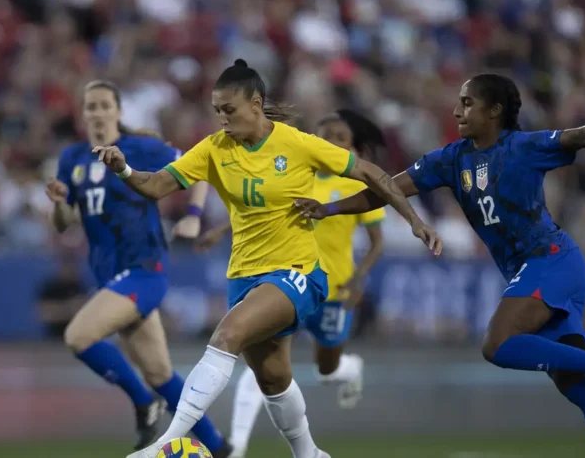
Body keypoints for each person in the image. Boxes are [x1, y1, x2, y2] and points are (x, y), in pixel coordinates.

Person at [93, 59, 440, 458]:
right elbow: (155, 186)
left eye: (229, 110)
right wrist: (123, 170)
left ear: (256, 103)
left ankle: (164, 443)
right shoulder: (214, 149)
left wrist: (414, 220)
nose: (222, 119)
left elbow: (371, 173)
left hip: (298, 273)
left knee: (226, 337)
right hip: (244, 276)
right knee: (273, 380)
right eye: (217, 111)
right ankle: (310, 453)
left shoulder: (297, 144)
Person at [295, 74, 585, 458]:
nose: (456, 110)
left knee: (497, 344)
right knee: (575, 384)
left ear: (494, 111)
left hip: (551, 261)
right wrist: (329, 209)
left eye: (467, 103)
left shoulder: (522, 147)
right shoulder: (451, 159)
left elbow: (575, 136)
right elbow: (386, 189)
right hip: (537, 268)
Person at [46, 80, 231, 456]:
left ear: (118, 111)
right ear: (83, 114)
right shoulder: (72, 160)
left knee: (78, 336)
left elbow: (199, 167)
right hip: (109, 275)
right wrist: (60, 203)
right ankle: (221, 449)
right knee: (161, 374)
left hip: (144, 268)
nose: (97, 112)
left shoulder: (141, 148)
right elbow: (65, 222)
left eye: (103, 105)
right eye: (90, 106)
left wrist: (193, 216)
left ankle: (143, 404)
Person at [194, 109, 387, 457]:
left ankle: (349, 368)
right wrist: (221, 230)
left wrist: (359, 280)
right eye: (324, 134)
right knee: (263, 365)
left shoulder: (355, 184)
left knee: (326, 369)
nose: (330, 142)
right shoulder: (298, 170)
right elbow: (260, 207)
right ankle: (237, 445)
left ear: (351, 147)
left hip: (333, 292)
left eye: (340, 138)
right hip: (286, 279)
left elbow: (377, 242)